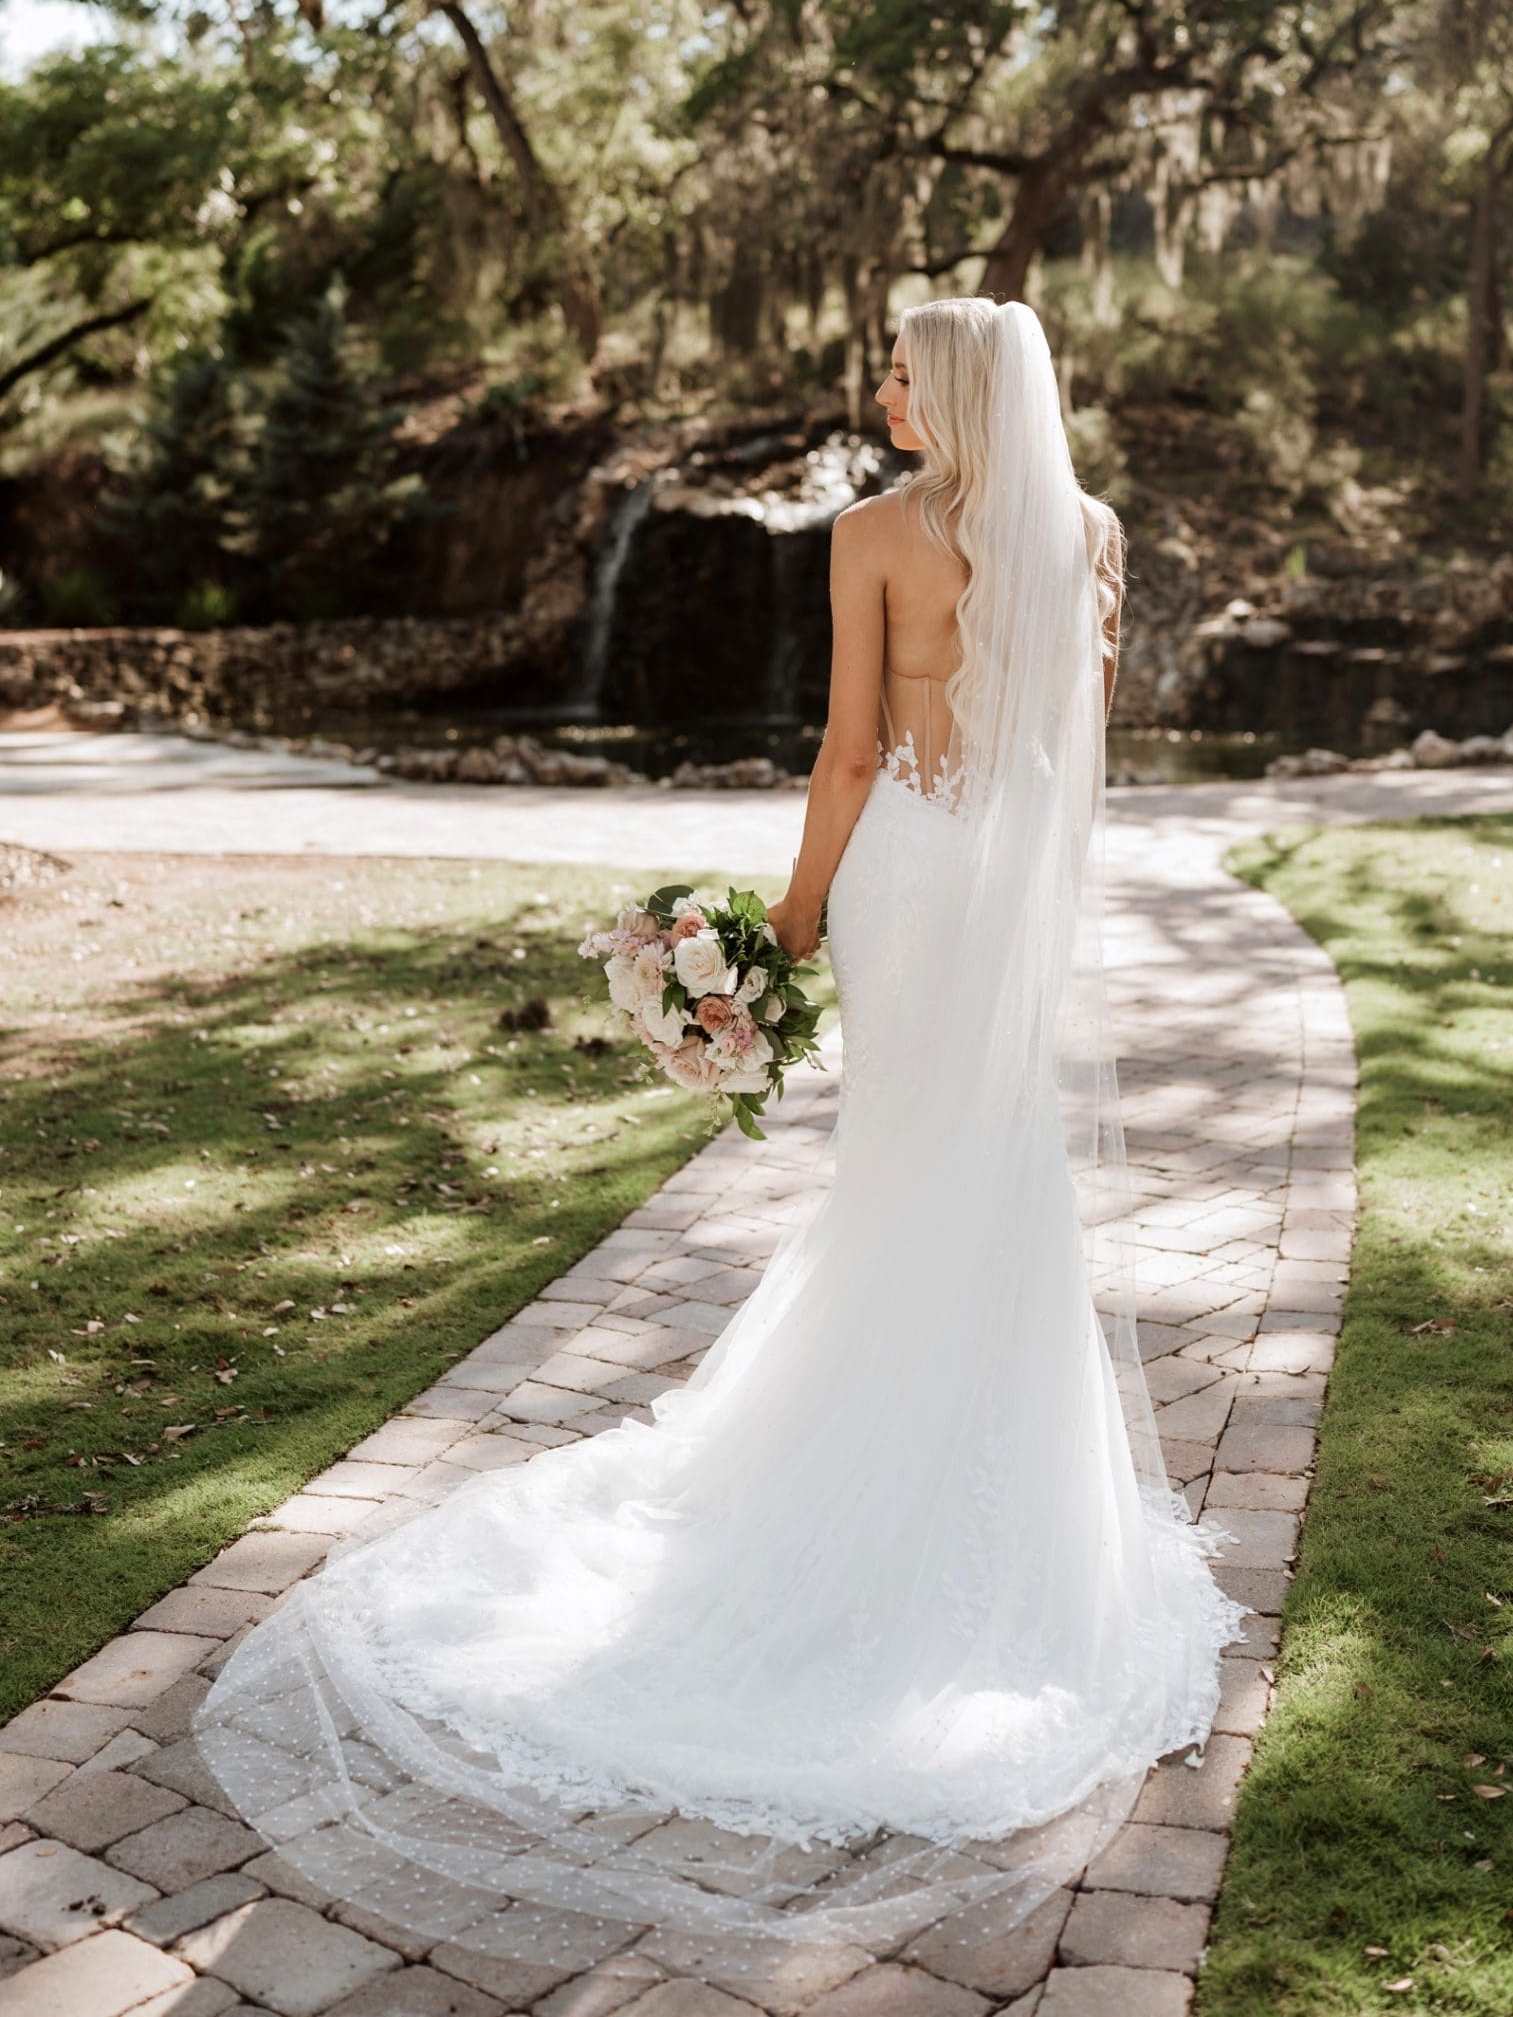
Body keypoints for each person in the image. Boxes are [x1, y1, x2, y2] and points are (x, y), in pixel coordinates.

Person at [195, 296, 1243, 1973]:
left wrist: (789, 921)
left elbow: (846, 748)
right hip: (1009, 897)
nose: (883, 391)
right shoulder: (1090, 530)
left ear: (960, 390)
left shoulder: (876, 534)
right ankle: (999, 1505)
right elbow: (1078, 743)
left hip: (904, 871)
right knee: (991, 1172)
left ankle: (859, 1491)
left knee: (901, 1170)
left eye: (903, 371)